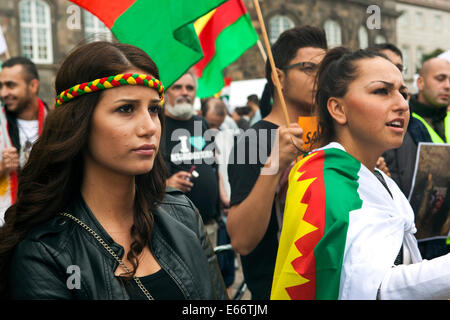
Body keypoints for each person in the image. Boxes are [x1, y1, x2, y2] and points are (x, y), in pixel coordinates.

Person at [0, 41, 227, 300]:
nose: (149, 127)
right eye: (126, 109)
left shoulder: (183, 215)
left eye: (153, 109)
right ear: (79, 122)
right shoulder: (45, 253)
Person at [271, 47, 450, 300]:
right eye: (381, 91)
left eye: (403, 92)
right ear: (338, 109)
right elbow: (372, 289)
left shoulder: (379, 178)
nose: (401, 104)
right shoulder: (320, 178)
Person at [227, 25, 327, 299]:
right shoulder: (253, 141)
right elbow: (242, 241)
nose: (321, 78)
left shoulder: (332, 136)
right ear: (279, 77)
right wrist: (275, 164)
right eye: (309, 68)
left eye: (326, 68)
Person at [383, 57, 450, 259]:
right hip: (417, 240)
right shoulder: (402, 122)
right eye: (440, 78)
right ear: (419, 83)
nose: (447, 85)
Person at [162, 71, 223, 248]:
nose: (185, 92)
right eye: (177, 87)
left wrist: (222, 195)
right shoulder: (157, 124)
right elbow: (140, 179)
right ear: (166, 92)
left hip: (209, 225)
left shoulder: (201, 122)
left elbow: (212, 165)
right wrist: (166, 184)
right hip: (176, 229)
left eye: (189, 88)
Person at [0, 57, 48, 224]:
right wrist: (2, 167)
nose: (3, 93)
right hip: (5, 224)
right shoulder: (0, 123)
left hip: (45, 222)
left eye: (11, 85)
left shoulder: (56, 123)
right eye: (1, 86)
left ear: (33, 86)